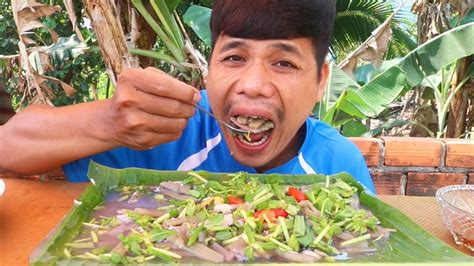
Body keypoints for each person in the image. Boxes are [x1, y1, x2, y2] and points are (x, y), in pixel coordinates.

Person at [0, 0, 375, 193]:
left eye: (284, 63)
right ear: (209, 66)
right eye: (234, 57)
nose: (253, 84)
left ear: (321, 79)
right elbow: (7, 146)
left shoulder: (339, 166)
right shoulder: (165, 131)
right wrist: (110, 122)